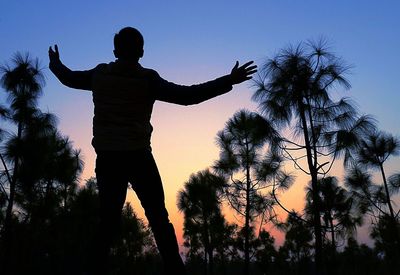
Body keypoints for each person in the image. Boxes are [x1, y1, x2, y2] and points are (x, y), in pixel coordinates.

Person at [49, 26, 256, 275]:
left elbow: (69, 78)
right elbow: (188, 96)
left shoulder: (99, 75)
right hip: (138, 157)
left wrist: (56, 64)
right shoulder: (147, 79)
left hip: (109, 158)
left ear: (115, 51)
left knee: (107, 224)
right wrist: (228, 80)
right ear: (142, 52)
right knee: (159, 220)